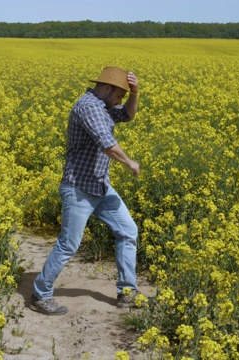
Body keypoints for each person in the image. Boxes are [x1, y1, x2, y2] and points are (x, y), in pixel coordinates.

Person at [29, 66, 141, 315]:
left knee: (127, 230)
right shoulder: (89, 106)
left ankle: (127, 292)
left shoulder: (105, 106)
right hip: (79, 187)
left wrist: (135, 93)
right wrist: (129, 162)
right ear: (106, 88)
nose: (120, 101)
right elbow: (106, 143)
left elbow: (128, 115)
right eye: (119, 95)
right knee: (69, 243)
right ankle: (40, 294)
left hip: (100, 186)